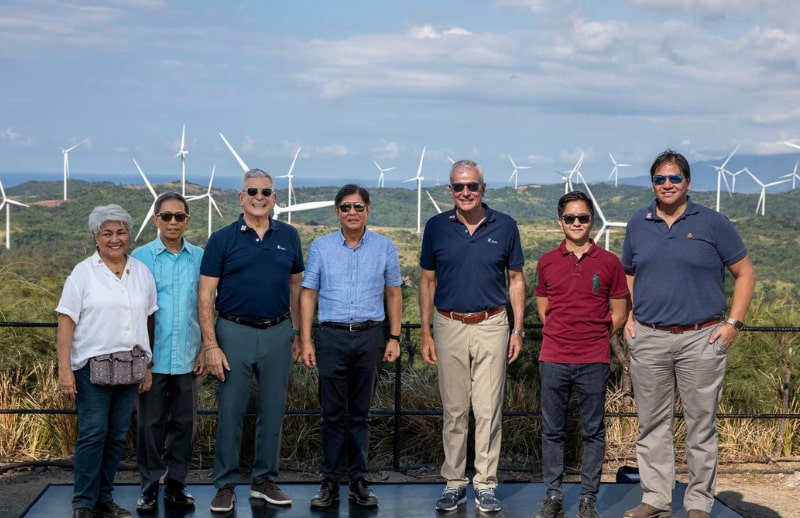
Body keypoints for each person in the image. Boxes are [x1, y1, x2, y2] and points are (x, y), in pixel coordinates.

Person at [621, 149, 756, 518]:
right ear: (652, 184)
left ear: (688, 182)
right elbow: (629, 272)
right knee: (651, 425)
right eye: (660, 179)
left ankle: (698, 502)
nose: (666, 184)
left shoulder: (714, 223)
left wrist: (733, 324)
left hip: (703, 337)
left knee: (701, 425)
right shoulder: (637, 222)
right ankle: (655, 498)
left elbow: (746, 273)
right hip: (648, 337)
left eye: (674, 178)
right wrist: (630, 316)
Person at [418, 159, 526, 513]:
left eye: (472, 186)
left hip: (492, 324)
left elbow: (516, 280)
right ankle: (453, 483)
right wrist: (426, 333)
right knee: (454, 409)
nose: (466, 192)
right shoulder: (435, 227)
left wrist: (518, 328)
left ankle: (485, 484)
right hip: (447, 324)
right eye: (459, 187)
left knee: (488, 409)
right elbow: (427, 282)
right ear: (450, 190)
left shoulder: (506, 226)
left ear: (483, 188)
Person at [199, 168, 304, 513]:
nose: (260, 197)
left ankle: (264, 481)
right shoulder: (222, 239)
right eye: (252, 191)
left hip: (277, 332)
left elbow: (296, 288)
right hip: (234, 331)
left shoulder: (289, 236)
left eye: (266, 192)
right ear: (240, 197)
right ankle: (225, 484)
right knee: (230, 410)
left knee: (272, 411)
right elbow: (205, 295)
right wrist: (211, 344)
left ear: (275, 198)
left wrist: (299, 333)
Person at [299, 184, 403, 509]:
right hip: (331, 336)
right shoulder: (321, 247)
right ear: (337, 212)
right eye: (346, 207)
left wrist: (395, 337)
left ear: (368, 210)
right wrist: (305, 340)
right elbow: (308, 294)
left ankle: (359, 480)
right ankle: (329, 482)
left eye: (358, 207)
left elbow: (394, 293)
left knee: (361, 414)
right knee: (330, 414)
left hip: (370, 336)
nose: (352, 213)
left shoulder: (385, 247)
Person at [532, 191, 630, 518]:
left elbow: (619, 311)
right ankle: (553, 495)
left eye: (583, 218)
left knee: (593, 431)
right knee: (552, 430)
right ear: (560, 221)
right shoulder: (546, 261)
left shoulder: (610, 263)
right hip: (554, 357)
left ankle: (588, 497)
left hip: (593, 358)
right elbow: (544, 309)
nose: (576, 223)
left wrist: (596, 335)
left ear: (592, 221)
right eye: (570, 218)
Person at [56, 204, 157, 518]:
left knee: (115, 437)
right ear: (96, 238)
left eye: (121, 232)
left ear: (129, 234)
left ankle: (104, 498)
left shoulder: (140, 271)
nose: (115, 239)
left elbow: (150, 319)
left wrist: (148, 366)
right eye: (107, 233)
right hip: (91, 367)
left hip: (131, 367)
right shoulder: (83, 273)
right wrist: (65, 371)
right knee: (93, 434)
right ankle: (83, 503)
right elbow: (66, 322)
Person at [131, 192, 204, 512]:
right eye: (166, 216)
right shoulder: (140, 257)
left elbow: (208, 305)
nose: (173, 222)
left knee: (184, 425)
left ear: (187, 220)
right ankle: (148, 487)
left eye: (179, 216)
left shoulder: (201, 257)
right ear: (156, 219)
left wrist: (207, 348)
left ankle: (176, 484)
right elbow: (133, 312)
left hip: (189, 354)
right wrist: (141, 361)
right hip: (153, 358)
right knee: (149, 426)